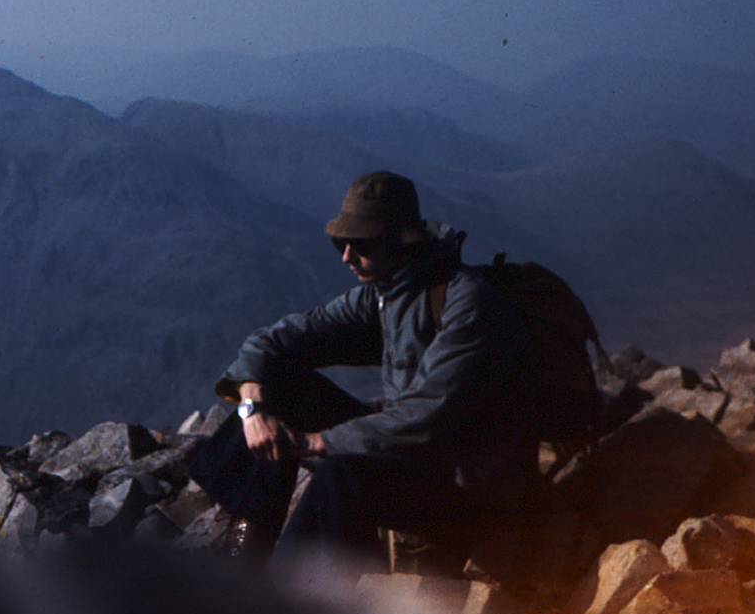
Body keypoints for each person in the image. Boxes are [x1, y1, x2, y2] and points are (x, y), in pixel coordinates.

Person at [188, 170, 541, 566]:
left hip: (466, 484)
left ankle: (285, 605)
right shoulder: (382, 296)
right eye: (341, 242)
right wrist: (252, 410)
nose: (346, 256)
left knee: (341, 476)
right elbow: (270, 343)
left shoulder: (466, 304)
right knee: (281, 387)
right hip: (414, 457)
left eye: (361, 245)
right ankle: (243, 552)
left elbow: (426, 416)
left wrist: (315, 442)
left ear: (402, 241)